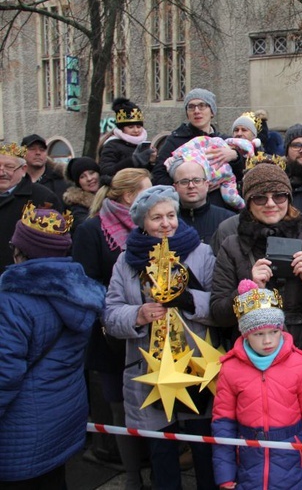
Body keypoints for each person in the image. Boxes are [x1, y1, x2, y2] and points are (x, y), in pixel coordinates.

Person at [103, 185, 218, 490]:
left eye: (171, 215)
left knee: (204, 447)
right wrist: (137, 315)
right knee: (161, 452)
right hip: (148, 369)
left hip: (197, 366)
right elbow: (111, 313)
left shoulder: (201, 252)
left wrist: (189, 300)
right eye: (157, 218)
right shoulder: (126, 262)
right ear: (142, 223)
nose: (166, 223)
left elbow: (220, 304)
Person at [0, 204, 106, 488]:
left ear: (21, 250)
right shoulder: (80, 293)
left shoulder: (11, 302)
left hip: (19, 431)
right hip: (61, 417)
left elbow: (4, 373)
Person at [212, 279, 302, 489]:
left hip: (295, 468)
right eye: (259, 334)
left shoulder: (300, 364)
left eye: (274, 332)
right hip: (249, 469)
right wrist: (225, 474)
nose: (268, 341)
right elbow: (223, 424)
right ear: (246, 333)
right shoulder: (230, 369)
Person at [73, 168, 152, 490]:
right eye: (147, 191)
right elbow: (85, 282)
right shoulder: (92, 230)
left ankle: (156, 466)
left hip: (149, 330)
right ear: (129, 196)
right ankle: (132, 475)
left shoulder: (151, 227)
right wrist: (123, 301)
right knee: (121, 407)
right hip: (111, 337)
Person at [210, 161, 302, 351]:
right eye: (260, 198)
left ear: (288, 198)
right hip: (255, 358)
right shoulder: (232, 245)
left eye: (279, 196)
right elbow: (219, 314)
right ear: (248, 203)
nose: (270, 204)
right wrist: (248, 290)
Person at [152, 88, 246, 209]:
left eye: (202, 106)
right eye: (191, 107)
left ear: (212, 111)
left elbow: (240, 175)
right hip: (186, 209)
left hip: (220, 207)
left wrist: (235, 157)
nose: (196, 111)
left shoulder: (223, 141)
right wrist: (188, 188)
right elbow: (159, 176)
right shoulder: (175, 140)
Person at [0, 142, 62, 274]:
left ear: (23, 170)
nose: (2, 172)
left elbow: (55, 244)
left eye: (9, 167)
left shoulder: (44, 199)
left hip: (24, 278)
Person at [169, 158, 235, 245]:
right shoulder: (168, 223)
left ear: (207, 185)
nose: (191, 186)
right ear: (175, 187)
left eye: (197, 181)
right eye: (184, 182)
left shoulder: (228, 220)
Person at [99, 98, 156, 179]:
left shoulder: (143, 144)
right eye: (131, 127)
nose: (136, 130)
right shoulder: (111, 145)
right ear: (122, 128)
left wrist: (152, 162)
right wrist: (133, 161)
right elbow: (106, 171)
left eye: (139, 126)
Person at [20, 133, 69, 203]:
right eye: (32, 149)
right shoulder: (14, 181)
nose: (38, 152)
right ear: (22, 153)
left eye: (42, 149)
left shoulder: (60, 181)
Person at [63, 157, 101, 231]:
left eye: (91, 173)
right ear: (78, 183)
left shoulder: (113, 196)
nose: (89, 178)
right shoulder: (76, 209)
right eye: (82, 177)